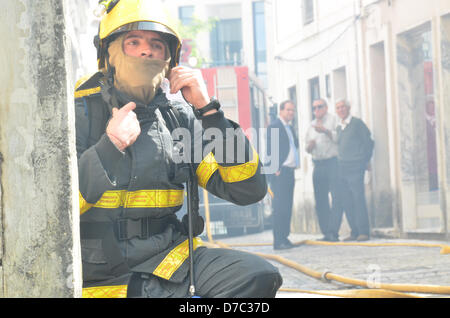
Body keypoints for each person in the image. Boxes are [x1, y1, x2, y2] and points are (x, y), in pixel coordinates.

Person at [75, 0, 282, 298]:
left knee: (258, 277)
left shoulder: (177, 118)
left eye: (157, 45)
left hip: (169, 262)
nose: (147, 51)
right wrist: (111, 146)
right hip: (101, 273)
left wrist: (209, 112)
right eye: (134, 42)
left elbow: (247, 190)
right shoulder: (78, 112)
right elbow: (56, 208)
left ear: (169, 59)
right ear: (109, 53)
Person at [328, 99, 374, 242]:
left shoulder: (356, 124)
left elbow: (369, 142)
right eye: (338, 108)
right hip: (342, 168)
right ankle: (354, 231)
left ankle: (363, 231)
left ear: (348, 108)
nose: (341, 110)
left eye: (343, 107)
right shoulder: (339, 128)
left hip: (355, 166)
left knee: (358, 198)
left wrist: (365, 160)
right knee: (347, 200)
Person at [266, 100, 300, 250]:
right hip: (280, 172)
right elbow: (270, 149)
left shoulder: (289, 128)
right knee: (279, 208)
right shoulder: (275, 126)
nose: (291, 113)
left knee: (287, 206)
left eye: (293, 110)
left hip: (290, 172)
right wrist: (275, 168)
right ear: (281, 111)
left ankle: (285, 237)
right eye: (288, 110)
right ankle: (278, 241)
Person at [305, 99, 339, 242]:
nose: (317, 110)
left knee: (337, 197)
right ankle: (326, 232)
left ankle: (334, 231)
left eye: (320, 107)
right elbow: (306, 148)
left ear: (326, 107)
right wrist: (310, 146)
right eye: (314, 108)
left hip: (332, 163)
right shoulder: (311, 125)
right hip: (317, 164)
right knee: (320, 200)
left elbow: (339, 138)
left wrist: (325, 131)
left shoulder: (334, 120)